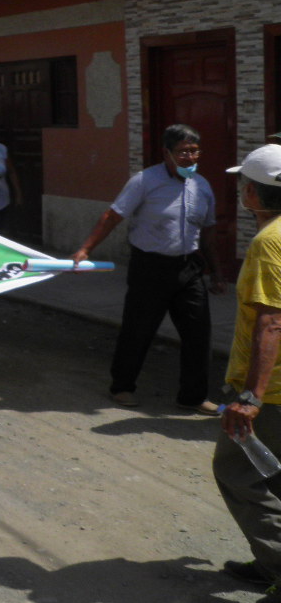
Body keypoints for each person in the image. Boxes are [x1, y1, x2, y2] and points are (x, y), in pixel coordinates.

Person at [72, 123, 220, 412]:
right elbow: (112, 216)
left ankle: (193, 396)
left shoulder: (202, 185)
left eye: (194, 151)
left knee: (199, 334)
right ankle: (123, 387)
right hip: (150, 268)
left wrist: (217, 272)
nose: (190, 157)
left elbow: (209, 231)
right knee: (138, 330)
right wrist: (85, 248)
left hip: (189, 268)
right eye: (183, 152)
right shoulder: (144, 181)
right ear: (167, 153)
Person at [215, 144, 281, 603]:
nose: (240, 189)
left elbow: (271, 322)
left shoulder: (268, 243)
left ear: (254, 193)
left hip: (274, 390)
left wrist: (251, 397)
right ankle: (268, 560)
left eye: (243, 184)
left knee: (239, 474)